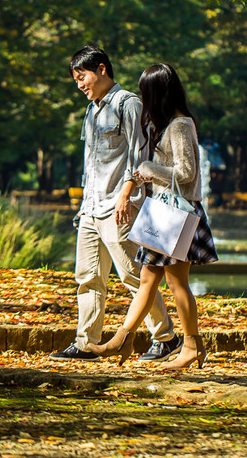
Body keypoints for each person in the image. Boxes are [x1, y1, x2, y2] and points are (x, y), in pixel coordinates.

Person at [50, 47, 180, 362]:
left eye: (82, 77)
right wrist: (84, 205)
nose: (79, 85)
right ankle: (86, 343)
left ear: (102, 69)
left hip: (119, 207)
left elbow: (140, 155)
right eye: (75, 80)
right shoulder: (91, 110)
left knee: (134, 276)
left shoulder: (128, 104)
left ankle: (166, 338)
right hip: (91, 208)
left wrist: (126, 195)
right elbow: (92, 164)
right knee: (88, 277)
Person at [89, 63, 218, 372]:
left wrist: (149, 170)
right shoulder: (168, 125)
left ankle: (191, 346)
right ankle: (123, 339)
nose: (144, 100)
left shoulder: (181, 125)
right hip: (162, 211)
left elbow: (187, 173)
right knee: (148, 279)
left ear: (158, 93)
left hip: (176, 212)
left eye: (146, 92)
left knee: (176, 283)